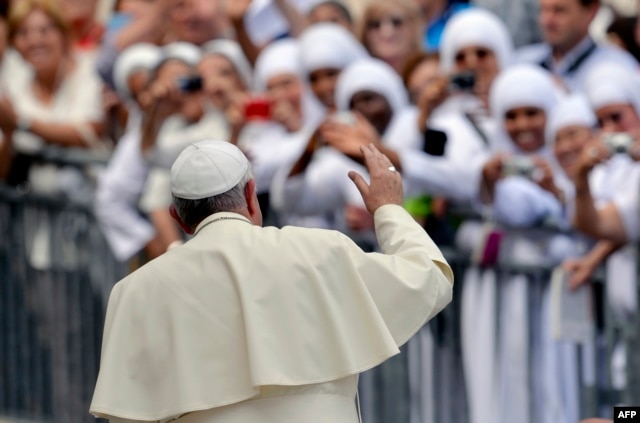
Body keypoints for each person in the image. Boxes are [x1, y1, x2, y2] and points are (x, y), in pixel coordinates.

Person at [90, 140, 454, 423]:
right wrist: (388, 208)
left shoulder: (134, 292)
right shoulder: (320, 250)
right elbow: (428, 277)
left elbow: (128, 414)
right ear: (251, 197)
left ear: (179, 218)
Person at [516, 0, 637, 92]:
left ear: (591, 12)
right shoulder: (521, 64)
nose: (547, 20)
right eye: (543, 10)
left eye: (559, 11)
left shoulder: (619, 67)